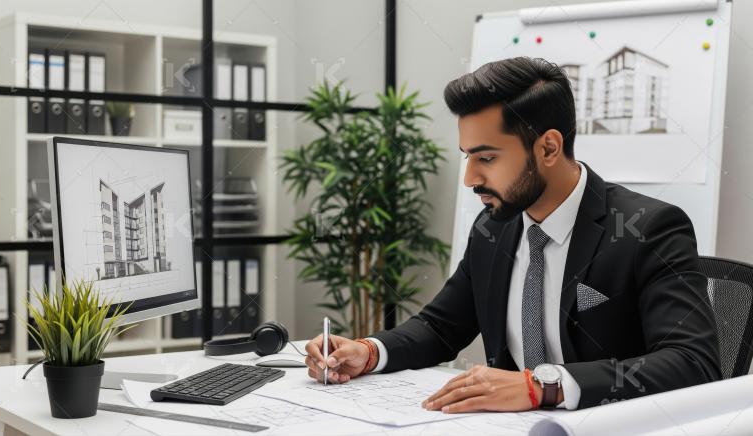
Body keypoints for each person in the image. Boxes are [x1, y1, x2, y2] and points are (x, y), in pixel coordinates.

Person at [304, 56, 721, 412]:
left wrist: (544, 386)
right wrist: (370, 352)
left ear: (549, 148)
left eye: (486, 157)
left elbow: (693, 362)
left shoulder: (646, 228)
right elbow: (440, 327)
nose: (470, 178)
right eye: (468, 157)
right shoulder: (493, 228)